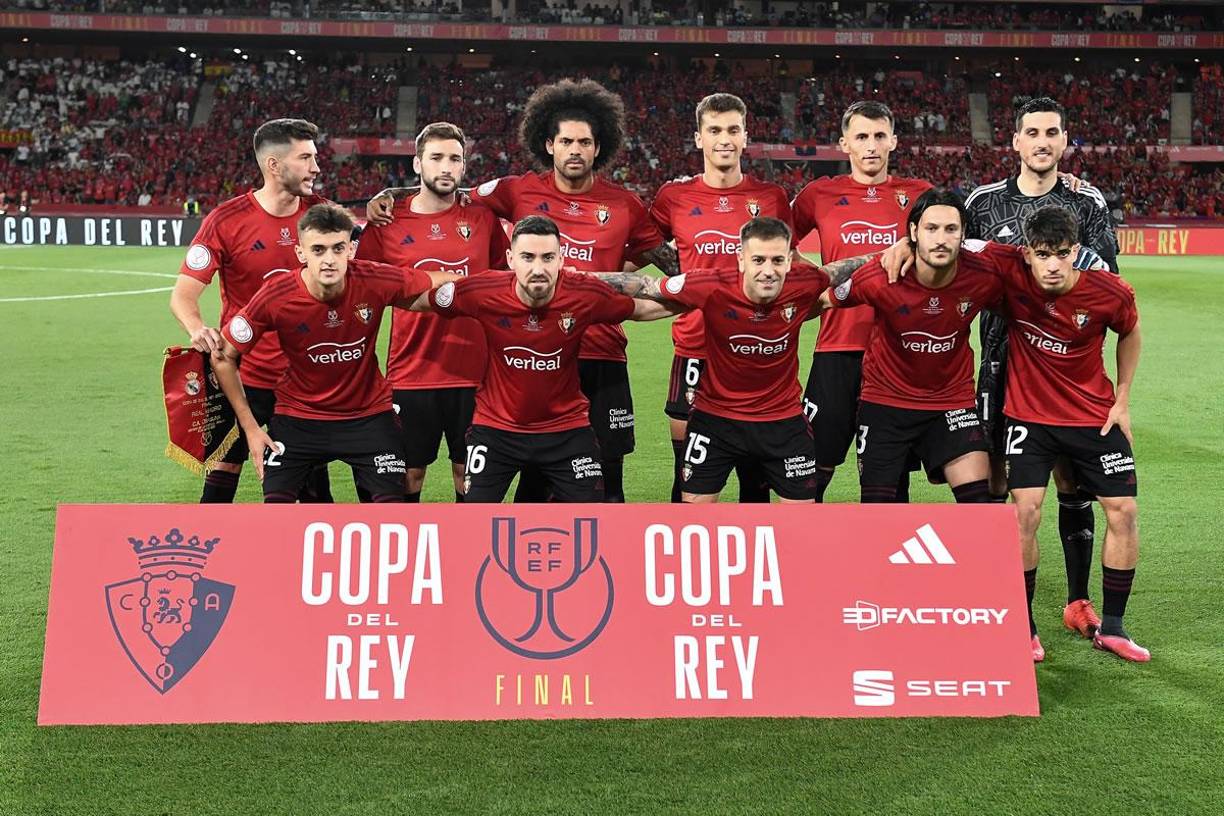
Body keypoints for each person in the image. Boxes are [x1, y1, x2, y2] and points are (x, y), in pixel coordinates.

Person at [367, 79, 676, 503]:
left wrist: (608, 277)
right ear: (548, 144)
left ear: (599, 146)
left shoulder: (625, 205)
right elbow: (449, 190)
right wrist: (392, 193)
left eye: (584, 142)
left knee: (607, 478)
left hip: (601, 353)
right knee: (533, 477)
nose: (574, 150)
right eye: (565, 140)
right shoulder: (517, 190)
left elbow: (668, 264)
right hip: (531, 349)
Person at [965, 97, 1121, 635]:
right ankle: (996, 601)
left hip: (1067, 373)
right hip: (999, 362)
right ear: (1015, 141)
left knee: (1071, 482)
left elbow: (1107, 282)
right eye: (1032, 132)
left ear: (1064, 139)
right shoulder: (983, 203)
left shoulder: (1087, 202)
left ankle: (1078, 602)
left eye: (1052, 132)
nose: (1042, 141)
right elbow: (957, 269)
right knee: (998, 482)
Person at [591, 217, 877, 503]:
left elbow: (842, 270)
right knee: (695, 522)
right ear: (741, 260)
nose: (768, 271)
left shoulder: (806, 282)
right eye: (758, 260)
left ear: (790, 261)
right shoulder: (710, 284)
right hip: (715, 422)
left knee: (802, 525)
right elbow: (647, 285)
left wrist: (897, 251)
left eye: (777, 260)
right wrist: (575, 279)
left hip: (783, 423)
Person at [414, 215, 677, 503]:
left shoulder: (582, 293)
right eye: (528, 257)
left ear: (561, 259)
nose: (538, 268)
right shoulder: (482, 291)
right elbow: (423, 298)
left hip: (567, 431)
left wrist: (701, 298)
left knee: (594, 520)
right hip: (496, 431)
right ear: (510, 259)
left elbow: (640, 309)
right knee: (474, 517)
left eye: (547, 257)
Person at [210, 204, 452, 503]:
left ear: (351, 249)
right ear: (301, 254)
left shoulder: (375, 278)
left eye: (338, 248)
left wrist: (502, 291)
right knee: (276, 509)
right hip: (299, 418)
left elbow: (441, 280)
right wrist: (250, 429)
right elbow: (223, 355)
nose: (329, 260)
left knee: (391, 513)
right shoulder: (276, 295)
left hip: (368, 417)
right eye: (318, 250)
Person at [997, 206, 1146, 662]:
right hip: (1029, 417)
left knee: (1123, 509)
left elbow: (1131, 331)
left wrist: (1121, 398)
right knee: (1025, 512)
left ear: (1076, 252)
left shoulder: (1109, 292)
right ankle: (1023, 627)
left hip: (1092, 416)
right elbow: (958, 248)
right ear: (1027, 254)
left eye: (1063, 254)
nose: (1054, 264)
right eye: (1043, 254)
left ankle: (1114, 628)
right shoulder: (1010, 276)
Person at [169, 118, 333, 503]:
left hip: (305, 379)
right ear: (273, 165)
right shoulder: (226, 220)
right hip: (243, 375)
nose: (316, 167)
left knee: (311, 484)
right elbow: (182, 295)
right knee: (223, 474)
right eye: (305, 157)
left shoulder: (323, 214)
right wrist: (197, 328)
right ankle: (207, 559)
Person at [354, 122, 509, 503]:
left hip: (475, 373)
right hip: (412, 372)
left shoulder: (482, 219)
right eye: (436, 158)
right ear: (417, 164)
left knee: (468, 477)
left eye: (455, 159)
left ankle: (469, 557)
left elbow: (504, 284)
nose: (446, 167)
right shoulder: (387, 223)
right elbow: (365, 292)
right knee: (409, 476)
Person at [649, 92, 792, 503]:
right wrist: (682, 284)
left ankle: (756, 566)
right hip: (695, 347)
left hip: (756, 351)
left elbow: (790, 264)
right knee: (687, 479)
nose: (724, 139)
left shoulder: (772, 198)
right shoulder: (673, 197)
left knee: (755, 484)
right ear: (698, 138)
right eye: (714, 130)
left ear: (746, 136)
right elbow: (642, 249)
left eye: (732, 129)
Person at [791, 100, 933, 501]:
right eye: (861, 137)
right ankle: (804, 552)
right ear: (844, 144)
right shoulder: (818, 194)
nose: (871, 145)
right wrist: (813, 281)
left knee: (888, 476)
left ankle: (887, 561)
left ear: (893, 141)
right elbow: (777, 241)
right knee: (814, 467)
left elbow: (953, 244)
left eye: (878, 136)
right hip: (837, 346)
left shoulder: (920, 195)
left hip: (899, 349)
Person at [822, 189, 1001, 504]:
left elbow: (1034, 270)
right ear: (914, 232)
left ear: (963, 235)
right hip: (885, 404)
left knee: (980, 506)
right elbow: (825, 299)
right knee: (880, 515)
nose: (941, 238)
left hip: (950, 401)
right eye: (931, 229)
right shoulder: (880, 277)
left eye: (951, 229)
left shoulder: (984, 275)